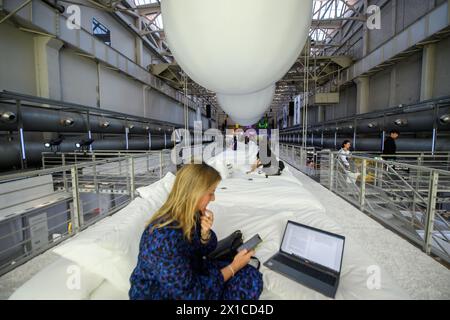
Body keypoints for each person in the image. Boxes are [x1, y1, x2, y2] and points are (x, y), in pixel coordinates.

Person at [129, 163, 263, 300]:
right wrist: (233, 267)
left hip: (192, 271)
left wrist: (205, 234)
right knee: (246, 283)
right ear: (194, 193)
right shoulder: (162, 238)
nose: (213, 198)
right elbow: (191, 294)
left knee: (251, 276)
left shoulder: (190, 215)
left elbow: (204, 250)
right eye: (210, 193)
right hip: (163, 293)